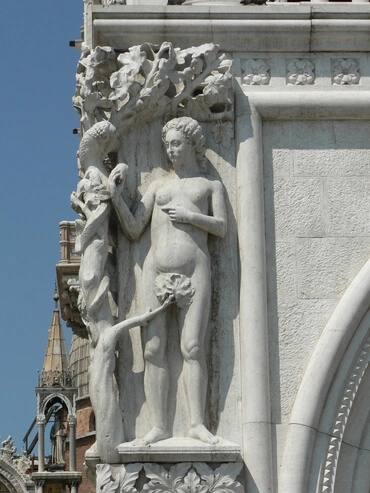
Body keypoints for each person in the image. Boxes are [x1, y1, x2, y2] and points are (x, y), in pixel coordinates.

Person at [109, 116, 227, 445]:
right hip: (155, 272)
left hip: (195, 271)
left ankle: (196, 424)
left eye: (177, 144)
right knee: (153, 349)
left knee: (192, 347)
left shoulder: (209, 185)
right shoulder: (158, 186)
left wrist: (191, 217)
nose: (171, 150)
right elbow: (134, 228)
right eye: (168, 145)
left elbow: (222, 227)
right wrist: (116, 196)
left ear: (193, 145)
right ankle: (159, 426)